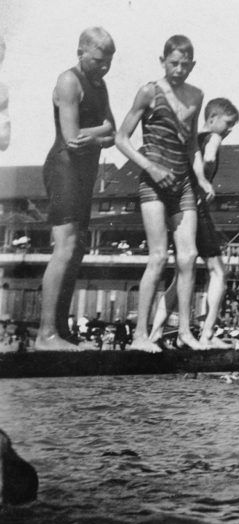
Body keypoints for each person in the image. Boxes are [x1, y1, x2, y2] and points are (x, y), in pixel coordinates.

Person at [115, 35, 214, 352]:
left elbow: (192, 145)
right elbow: (121, 139)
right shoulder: (150, 91)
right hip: (154, 182)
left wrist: (201, 177)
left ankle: (185, 332)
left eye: (186, 64)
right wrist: (152, 168)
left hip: (183, 182)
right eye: (174, 63)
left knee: (189, 257)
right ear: (163, 61)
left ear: (193, 65)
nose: (179, 69)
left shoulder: (196, 95)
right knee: (158, 257)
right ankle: (140, 336)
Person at [36, 28, 117, 351]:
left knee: (78, 250)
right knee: (65, 248)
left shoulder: (100, 84)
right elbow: (72, 138)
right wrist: (103, 132)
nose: (104, 67)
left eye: (109, 61)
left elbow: (112, 132)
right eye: (99, 60)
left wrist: (97, 134)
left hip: (83, 172)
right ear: (80, 52)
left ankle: (60, 330)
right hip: (64, 168)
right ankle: (45, 334)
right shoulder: (69, 81)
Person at [149, 97, 239, 347]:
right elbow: (210, 158)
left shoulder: (192, 142)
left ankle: (155, 331)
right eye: (228, 123)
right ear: (212, 119)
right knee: (218, 272)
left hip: (182, 212)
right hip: (198, 210)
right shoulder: (212, 138)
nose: (230, 129)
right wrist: (206, 180)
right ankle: (208, 333)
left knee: (181, 276)